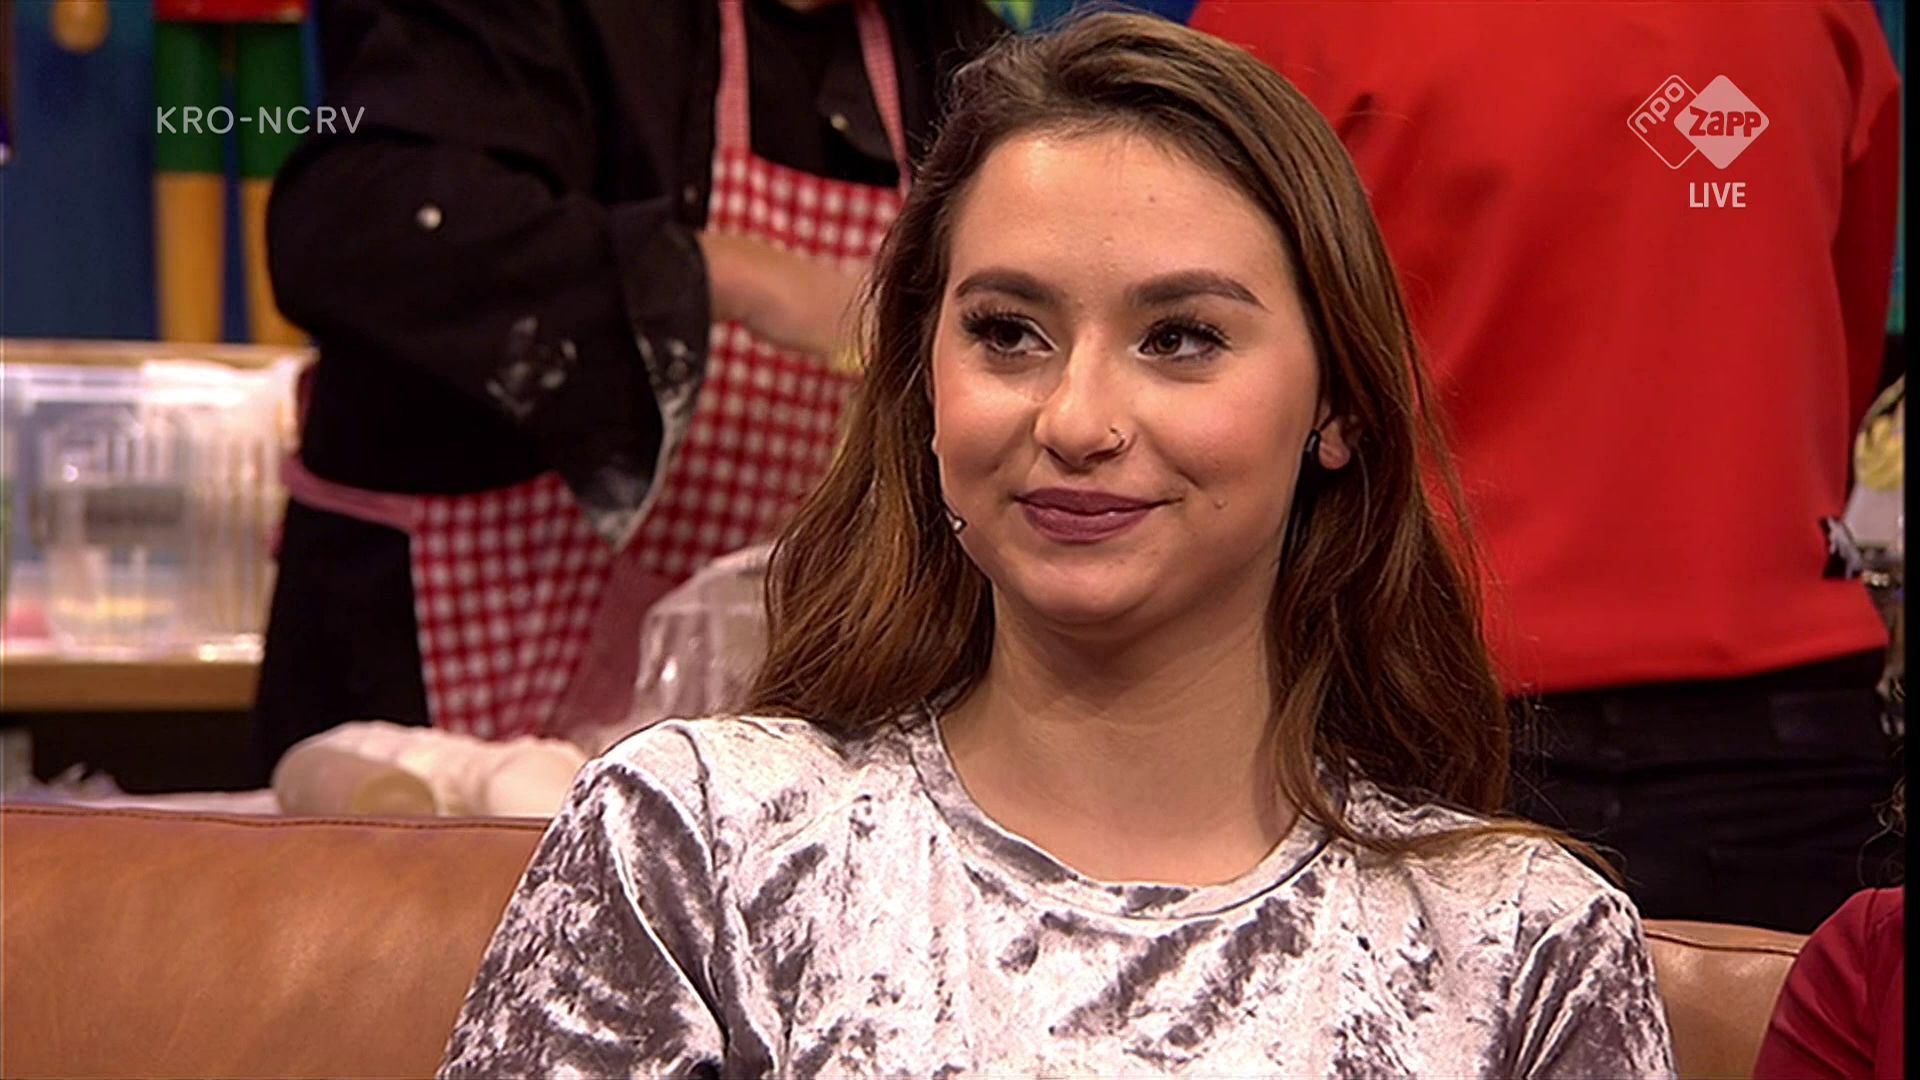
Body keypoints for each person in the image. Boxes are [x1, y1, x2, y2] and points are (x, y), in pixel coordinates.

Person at [438, 15, 1675, 1077]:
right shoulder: (693, 844)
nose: (1078, 422)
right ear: (924, 381)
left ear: (1339, 404)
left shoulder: (1524, 946)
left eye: (1180, 338)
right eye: (1008, 333)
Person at [1190, 0, 1904, 932]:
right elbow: (1840, 368)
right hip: (1764, 732)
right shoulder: (1819, 17)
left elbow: (1206, 389)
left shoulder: (1282, 23)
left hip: (1415, 705)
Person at [251, 0, 1005, 779]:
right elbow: (352, 227)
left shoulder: (950, 51)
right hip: (439, 686)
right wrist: (724, 275)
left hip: (740, 717)